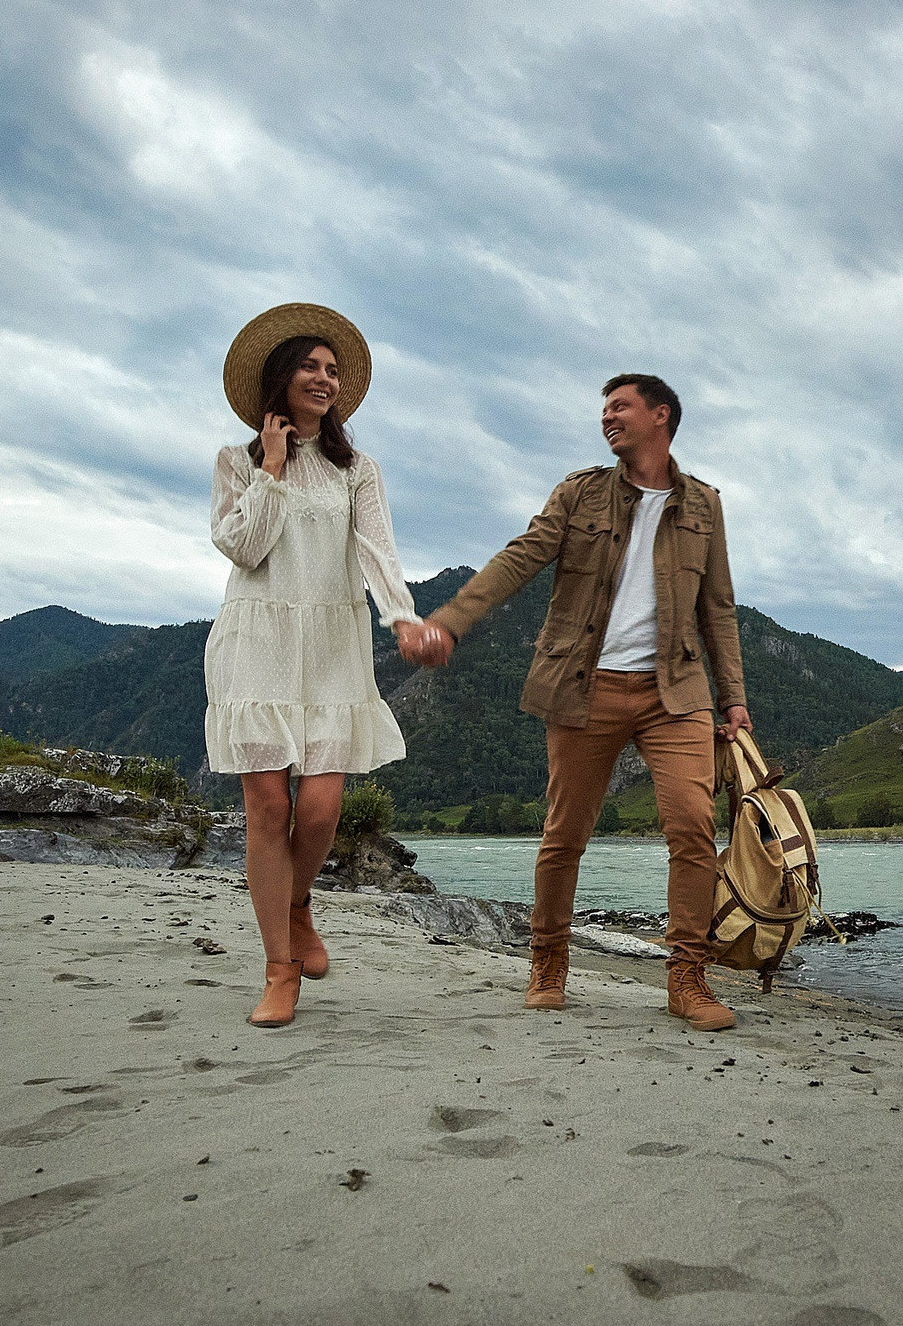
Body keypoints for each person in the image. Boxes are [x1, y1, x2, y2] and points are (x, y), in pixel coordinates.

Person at [398, 374, 750, 1031]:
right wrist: (448, 621)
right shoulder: (579, 491)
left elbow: (718, 609)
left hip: (674, 690)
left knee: (693, 827)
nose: (607, 418)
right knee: (565, 836)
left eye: (620, 407)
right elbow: (519, 558)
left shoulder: (705, 506)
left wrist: (734, 699)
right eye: (603, 409)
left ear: (660, 416)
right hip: (583, 686)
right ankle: (548, 961)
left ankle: (687, 979)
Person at [205, 303, 428, 1028]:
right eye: (311, 366)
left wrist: (403, 616)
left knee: (323, 809)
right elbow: (244, 548)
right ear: (280, 377)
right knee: (268, 808)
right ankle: (279, 967)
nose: (325, 379)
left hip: (333, 648)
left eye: (333, 370)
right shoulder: (235, 463)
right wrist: (271, 466)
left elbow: (377, 552)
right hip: (258, 643)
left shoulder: (357, 469)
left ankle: (299, 902)